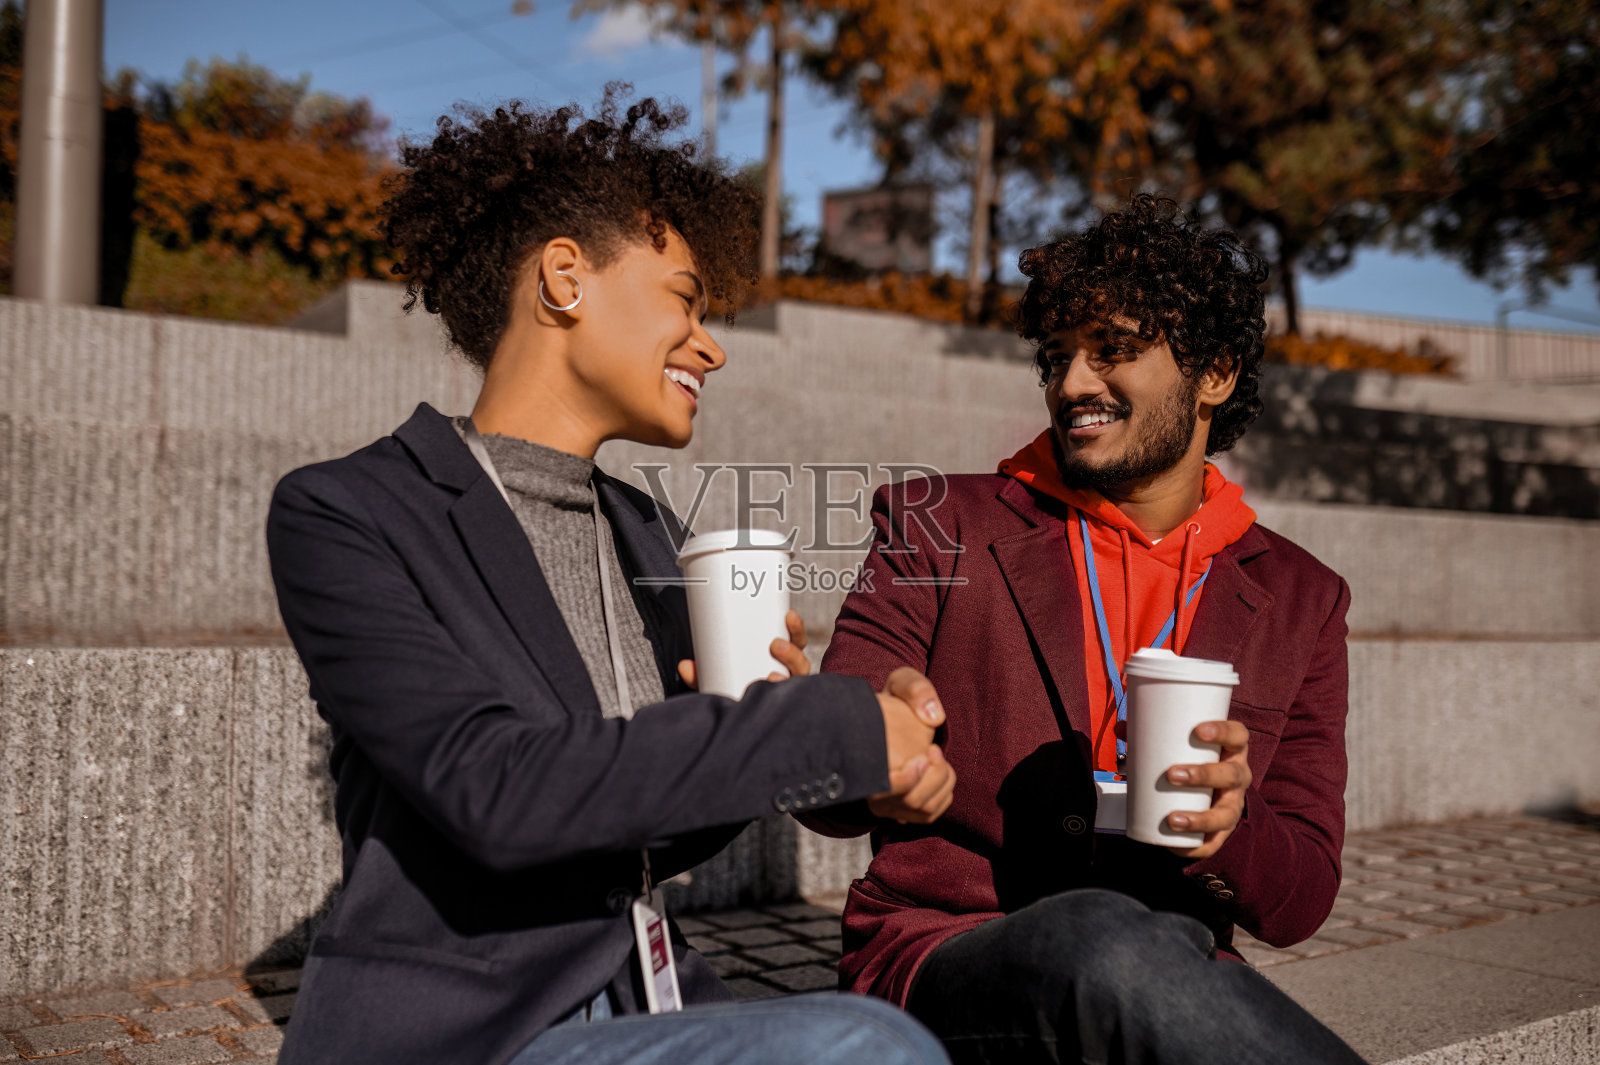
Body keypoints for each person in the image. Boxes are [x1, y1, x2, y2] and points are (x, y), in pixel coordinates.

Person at [265, 90, 953, 1065]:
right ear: (563, 278)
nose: (711, 345)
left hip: (644, 1004)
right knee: (869, 1048)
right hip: (467, 1036)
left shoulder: (645, 532)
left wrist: (852, 769)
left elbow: (645, 826)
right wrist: (816, 725)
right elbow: (492, 790)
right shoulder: (352, 512)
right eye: (684, 297)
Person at [804, 195, 1366, 1064]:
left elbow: (1299, 902)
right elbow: (831, 789)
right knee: (1101, 937)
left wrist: (1229, 828)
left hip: (1167, 971)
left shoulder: (1302, 597)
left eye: (1112, 351)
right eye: (1057, 356)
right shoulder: (934, 522)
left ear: (1213, 373)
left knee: (1127, 947)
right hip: (940, 954)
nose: (1071, 384)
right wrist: (857, 735)